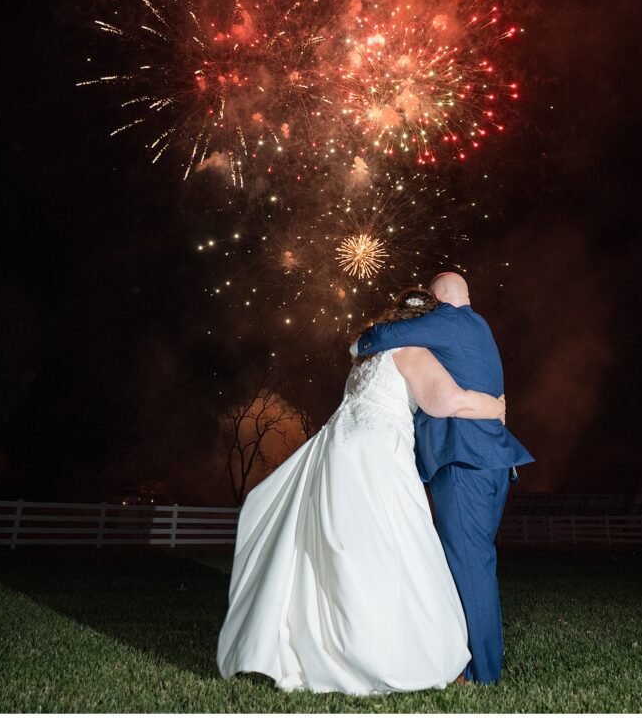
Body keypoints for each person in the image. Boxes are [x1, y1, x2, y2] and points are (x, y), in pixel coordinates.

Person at [217, 288, 506, 695]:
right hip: (377, 450)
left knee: (338, 547)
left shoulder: (366, 355)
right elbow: (447, 401)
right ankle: (378, 653)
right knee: (389, 547)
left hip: (335, 448)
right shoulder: (413, 350)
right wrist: (494, 407)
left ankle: (320, 645)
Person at [353, 272, 534, 684]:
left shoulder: (449, 320)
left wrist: (357, 344)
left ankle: (481, 673)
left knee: (470, 565)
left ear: (437, 298)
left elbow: (386, 334)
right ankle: (473, 659)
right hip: (494, 461)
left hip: (463, 460)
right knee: (476, 560)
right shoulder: (480, 326)